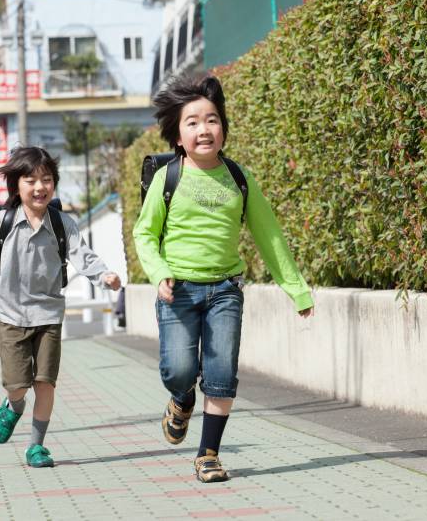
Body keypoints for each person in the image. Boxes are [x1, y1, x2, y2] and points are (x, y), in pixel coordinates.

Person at [133, 75, 314, 483]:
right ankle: (181, 400)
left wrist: (296, 288)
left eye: (212, 120)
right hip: (177, 290)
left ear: (224, 129)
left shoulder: (238, 177)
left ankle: (208, 454)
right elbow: (144, 234)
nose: (204, 129)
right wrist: (160, 272)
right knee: (178, 370)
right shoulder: (168, 177)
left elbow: (268, 234)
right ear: (178, 136)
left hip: (225, 291)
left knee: (220, 375)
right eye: (192, 122)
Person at [0, 146, 121, 468]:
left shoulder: (62, 223)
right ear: (16, 186)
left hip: (48, 313)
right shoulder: (3, 222)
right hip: (10, 314)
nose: (39, 187)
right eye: (31, 180)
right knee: (17, 385)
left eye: (46, 180)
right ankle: (13, 406)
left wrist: (105, 275)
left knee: (45, 381)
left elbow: (81, 255)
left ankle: (36, 446)